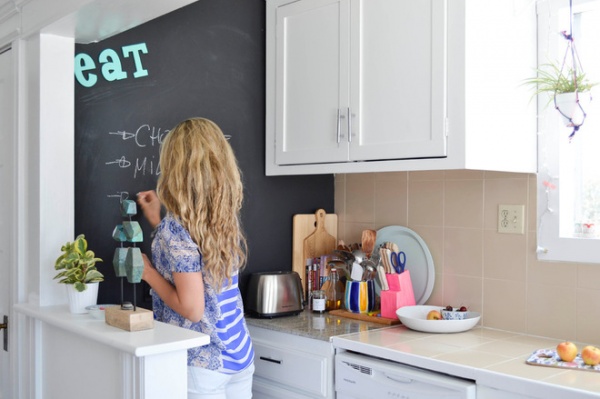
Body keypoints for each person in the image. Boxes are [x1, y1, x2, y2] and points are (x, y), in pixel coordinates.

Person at [137, 117, 254, 399]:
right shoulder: (222, 218)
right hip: (239, 354)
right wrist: (157, 222)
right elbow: (192, 263)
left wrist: (148, 273)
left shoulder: (175, 230)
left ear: (175, 169)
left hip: (203, 363)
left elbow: (192, 309)